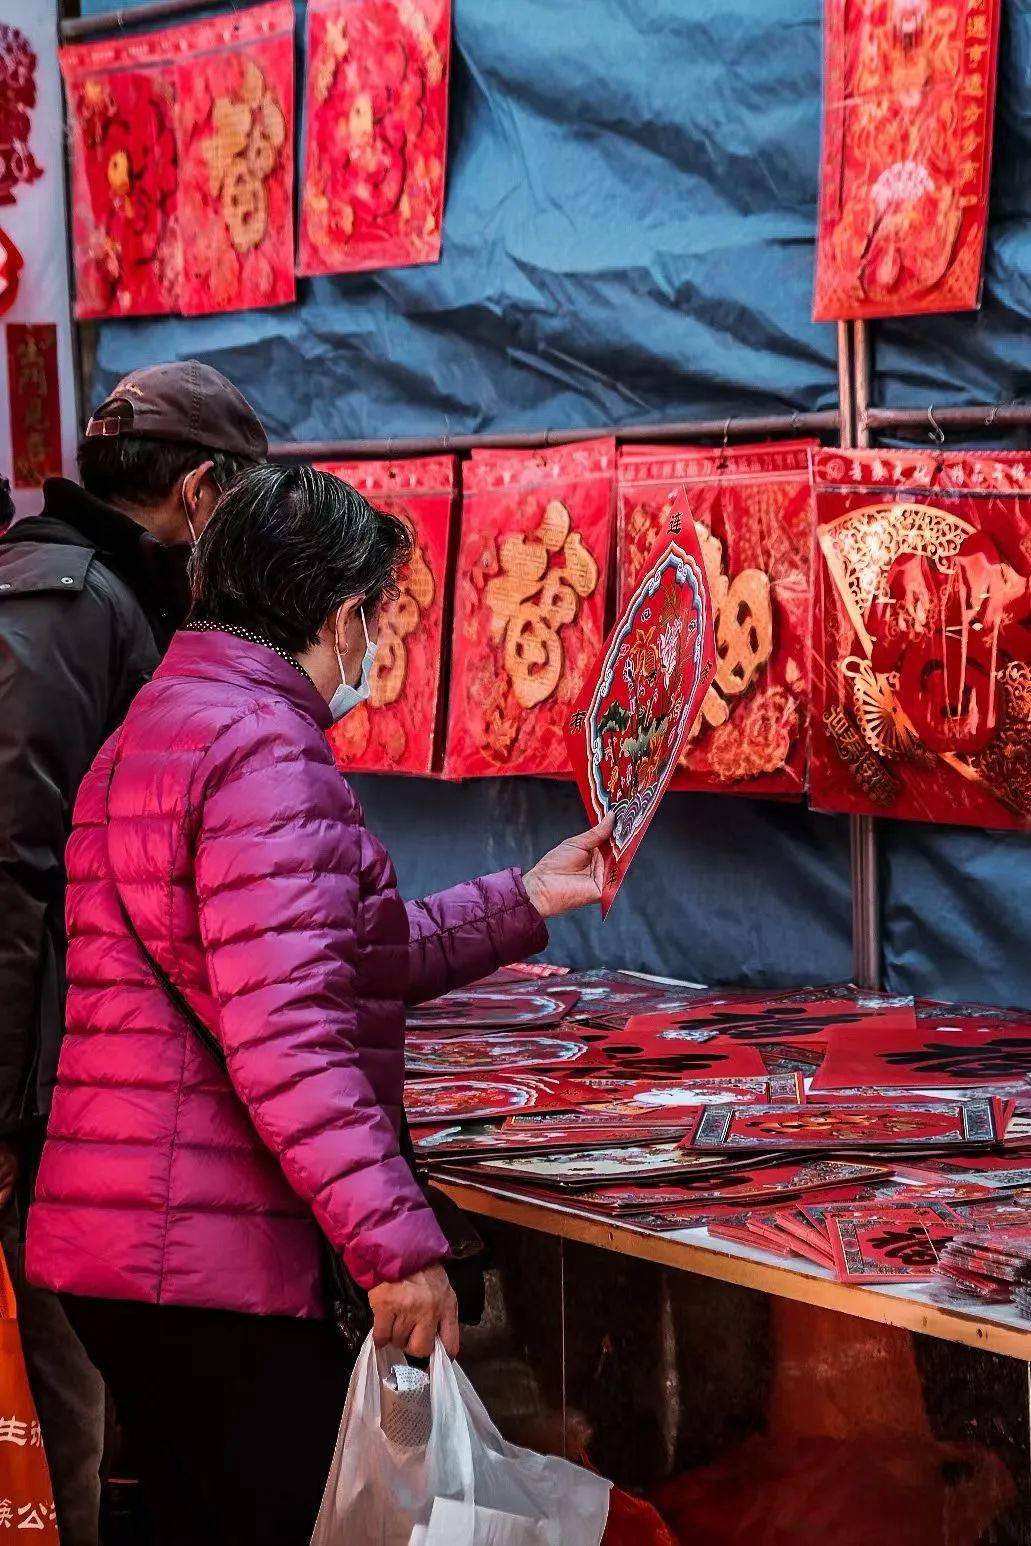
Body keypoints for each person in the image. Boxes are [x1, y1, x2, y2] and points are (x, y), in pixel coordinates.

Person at [26, 462, 610, 1545]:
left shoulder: (158, 721)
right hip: (213, 1261)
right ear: (343, 617)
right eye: (377, 616)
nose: (375, 646)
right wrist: (394, 1245)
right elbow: (289, 1035)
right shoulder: (262, 750)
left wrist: (526, 897)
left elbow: (328, 957)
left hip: (126, 1245)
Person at [0, 362, 266, 1546]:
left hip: (93, 1094)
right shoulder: (66, 604)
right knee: (56, 1421)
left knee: (106, 1419)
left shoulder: (122, 596)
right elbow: (11, 864)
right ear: (200, 492)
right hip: (44, 1101)